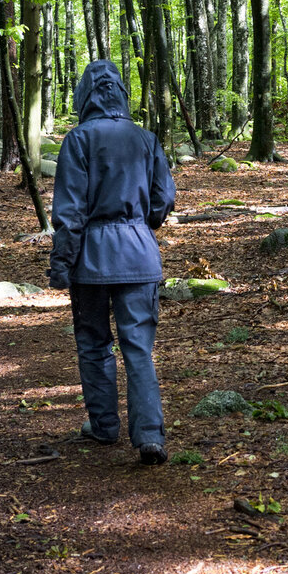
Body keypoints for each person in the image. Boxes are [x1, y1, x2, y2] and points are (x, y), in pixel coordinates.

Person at [48, 60, 176, 466]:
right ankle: (150, 436)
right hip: (139, 255)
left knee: (94, 342)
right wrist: (140, 223)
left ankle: (104, 426)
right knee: (138, 348)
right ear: (122, 92)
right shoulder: (146, 139)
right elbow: (162, 202)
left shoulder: (78, 140)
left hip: (91, 260)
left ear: (84, 96)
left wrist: (61, 265)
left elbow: (69, 214)